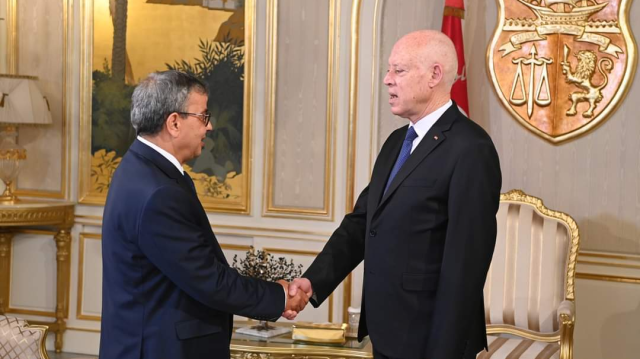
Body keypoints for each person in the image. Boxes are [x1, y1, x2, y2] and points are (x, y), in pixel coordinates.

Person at [289, 30, 502, 359]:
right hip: (388, 332)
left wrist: (442, 351)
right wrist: (313, 282)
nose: (388, 80)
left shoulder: (471, 149)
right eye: (389, 70)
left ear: (434, 74)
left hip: (431, 340)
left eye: (399, 71)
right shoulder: (396, 142)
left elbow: (465, 267)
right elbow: (362, 223)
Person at [100, 70, 307, 359]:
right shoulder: (158, 191)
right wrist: (280, 296)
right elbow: (209, 281)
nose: (209, 127)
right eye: (203, 117)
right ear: (174, 122)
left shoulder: (139, 169)